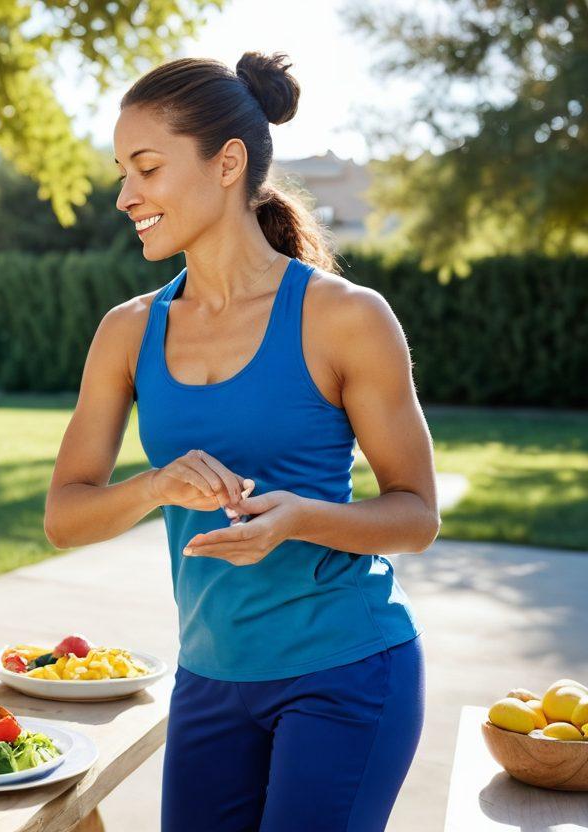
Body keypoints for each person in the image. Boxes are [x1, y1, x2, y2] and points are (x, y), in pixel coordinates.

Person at [44, 52, 437, 831]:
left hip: (346, 673)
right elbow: (65, 517)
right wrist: (155, 485)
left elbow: (416, 514)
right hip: (210, 680)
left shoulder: (345, 317)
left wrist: (299, 518)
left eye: (146, 169)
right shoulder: (127, 332)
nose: (126, 196)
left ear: (227, 164)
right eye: (123, 171)